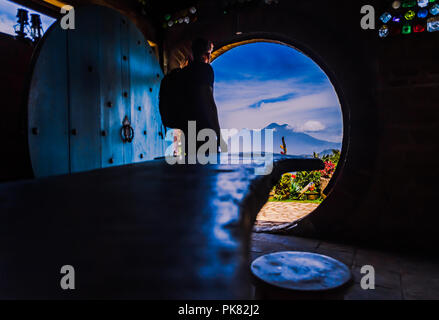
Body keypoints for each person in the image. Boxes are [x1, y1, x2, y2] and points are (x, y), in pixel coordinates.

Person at [179, 38, 227, 155]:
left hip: (187, 132)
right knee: (209, 169)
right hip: (205, 131)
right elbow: (209, 103)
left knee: (192, 169)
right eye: (209, 53)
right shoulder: (205, 70)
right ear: (206, 54)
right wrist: (219, 137)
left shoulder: (184, 72)